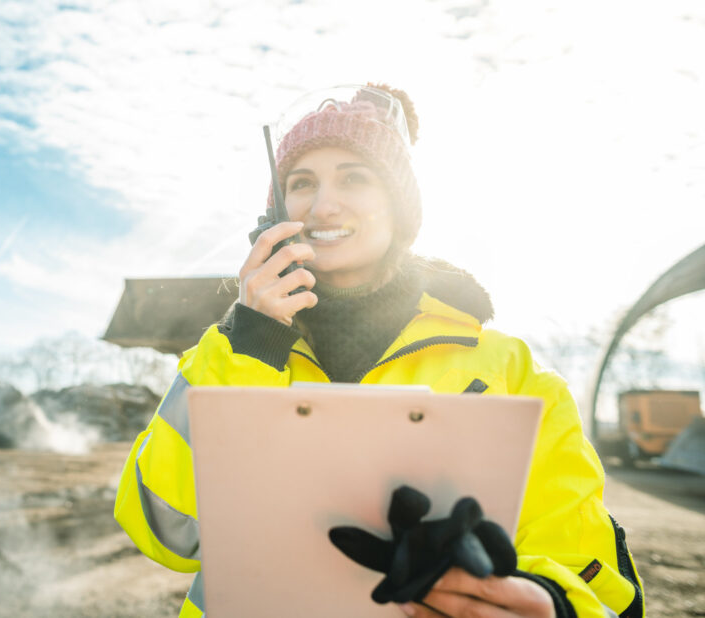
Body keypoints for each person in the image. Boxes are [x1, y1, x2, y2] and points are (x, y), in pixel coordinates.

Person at [114, 83, 644, 618]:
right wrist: (249, 342)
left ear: (398, 207)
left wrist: (552, 604)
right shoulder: (228, 353)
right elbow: (164, 531)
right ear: (276, 215)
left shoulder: (511, 370)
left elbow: (588, 569)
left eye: (355, 177)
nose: (324, 204)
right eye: (301, 183)